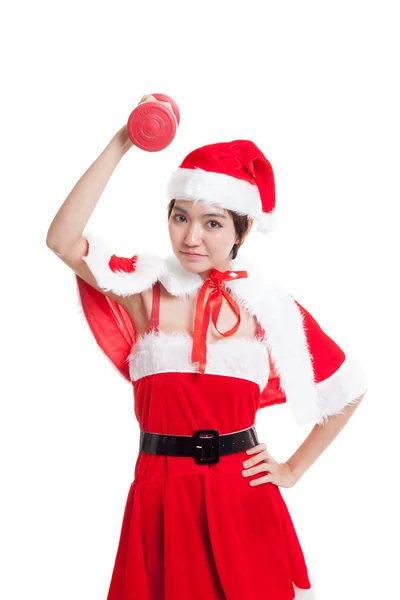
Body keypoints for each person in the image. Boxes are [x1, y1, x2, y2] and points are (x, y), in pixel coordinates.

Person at [46, 120, 368, 599]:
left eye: (212, 222)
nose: (191, 237)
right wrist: (122, 143)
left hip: (244, 503)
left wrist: (292, 470)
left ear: (243, 229)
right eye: (180, 217)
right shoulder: (145, 293)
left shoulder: (268, 309)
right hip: (161, 497)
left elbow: (346, 391)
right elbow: (63, 241)